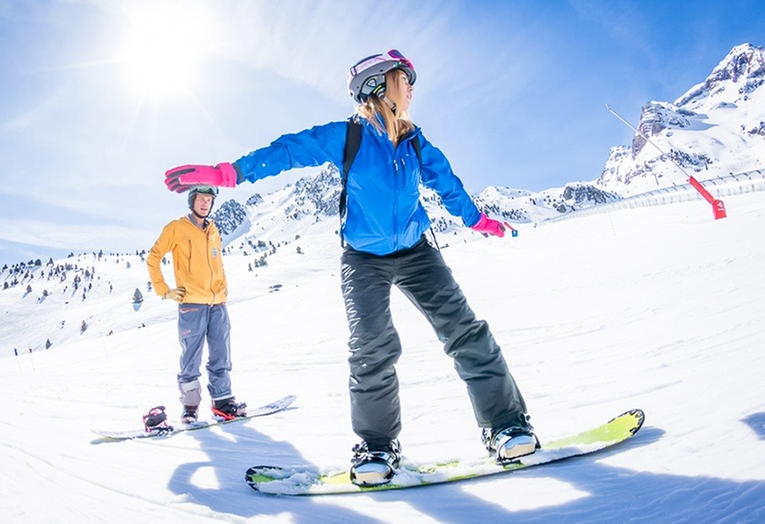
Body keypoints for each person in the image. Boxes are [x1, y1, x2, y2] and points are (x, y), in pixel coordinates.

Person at [163, 49, 537, 486]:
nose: (412, 86)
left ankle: (506, 426)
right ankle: (377, 444)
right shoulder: (349, 137)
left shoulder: (417, 143)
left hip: (418, 253)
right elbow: (290, 150)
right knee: (372, 347)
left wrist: (482, 222)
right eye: (405, 77)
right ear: (380, 85)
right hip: (362, 260)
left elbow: (450, 187)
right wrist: (231, 173)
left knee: (465, 332)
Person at [146, 185, 246, 424]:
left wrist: (223, 289)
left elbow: (218, 262)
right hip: (191, 304)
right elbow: (153, 258)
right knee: (191, 357)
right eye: (200, 199)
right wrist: (164, 290)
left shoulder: (213, 230)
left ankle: (223, 402)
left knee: (221, 356)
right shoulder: (176, 228)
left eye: (209, 200)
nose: (205, 204)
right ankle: (190, 407)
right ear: (192, 201)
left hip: (218, 304)